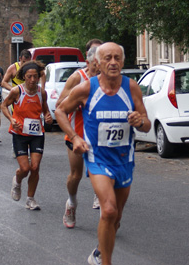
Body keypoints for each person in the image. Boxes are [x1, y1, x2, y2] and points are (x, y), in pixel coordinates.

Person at [55, 42, 151, 265]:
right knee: (108, 210)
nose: (113, 62)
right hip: (97, 158)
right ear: (97, 63)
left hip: (124, 159)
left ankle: (99, 251)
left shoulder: (132, 87)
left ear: (123, 61)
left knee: (115, 218)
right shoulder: (87, 88)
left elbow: (146, 125)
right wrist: (75, 136)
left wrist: (140, 121)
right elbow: (60, 110)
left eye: (117, 58)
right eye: (107, 58)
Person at [56, 43, 102, 229]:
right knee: (76, 175)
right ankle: (72, 203)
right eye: (95, 65)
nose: (99, 69)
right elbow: (60, 105)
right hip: (77, 134)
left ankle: (106, 214)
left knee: (102, 174)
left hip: (100, 136)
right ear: (88, 62)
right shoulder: (77, 78)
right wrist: (79, 100)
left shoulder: (108, 80)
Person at [1, 61, 52, 211]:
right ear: (24, 77)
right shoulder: (17, 91)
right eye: (29, 77)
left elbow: (45, 110)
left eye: (35, 76)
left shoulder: (41, 92)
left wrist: (48, 117)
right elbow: (4, 106)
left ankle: (30, 199)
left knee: (35, 167)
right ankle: (17, 181)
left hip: (37, 133)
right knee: (25, 168)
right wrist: (11, 119)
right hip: (20, 133)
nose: (32, 80)